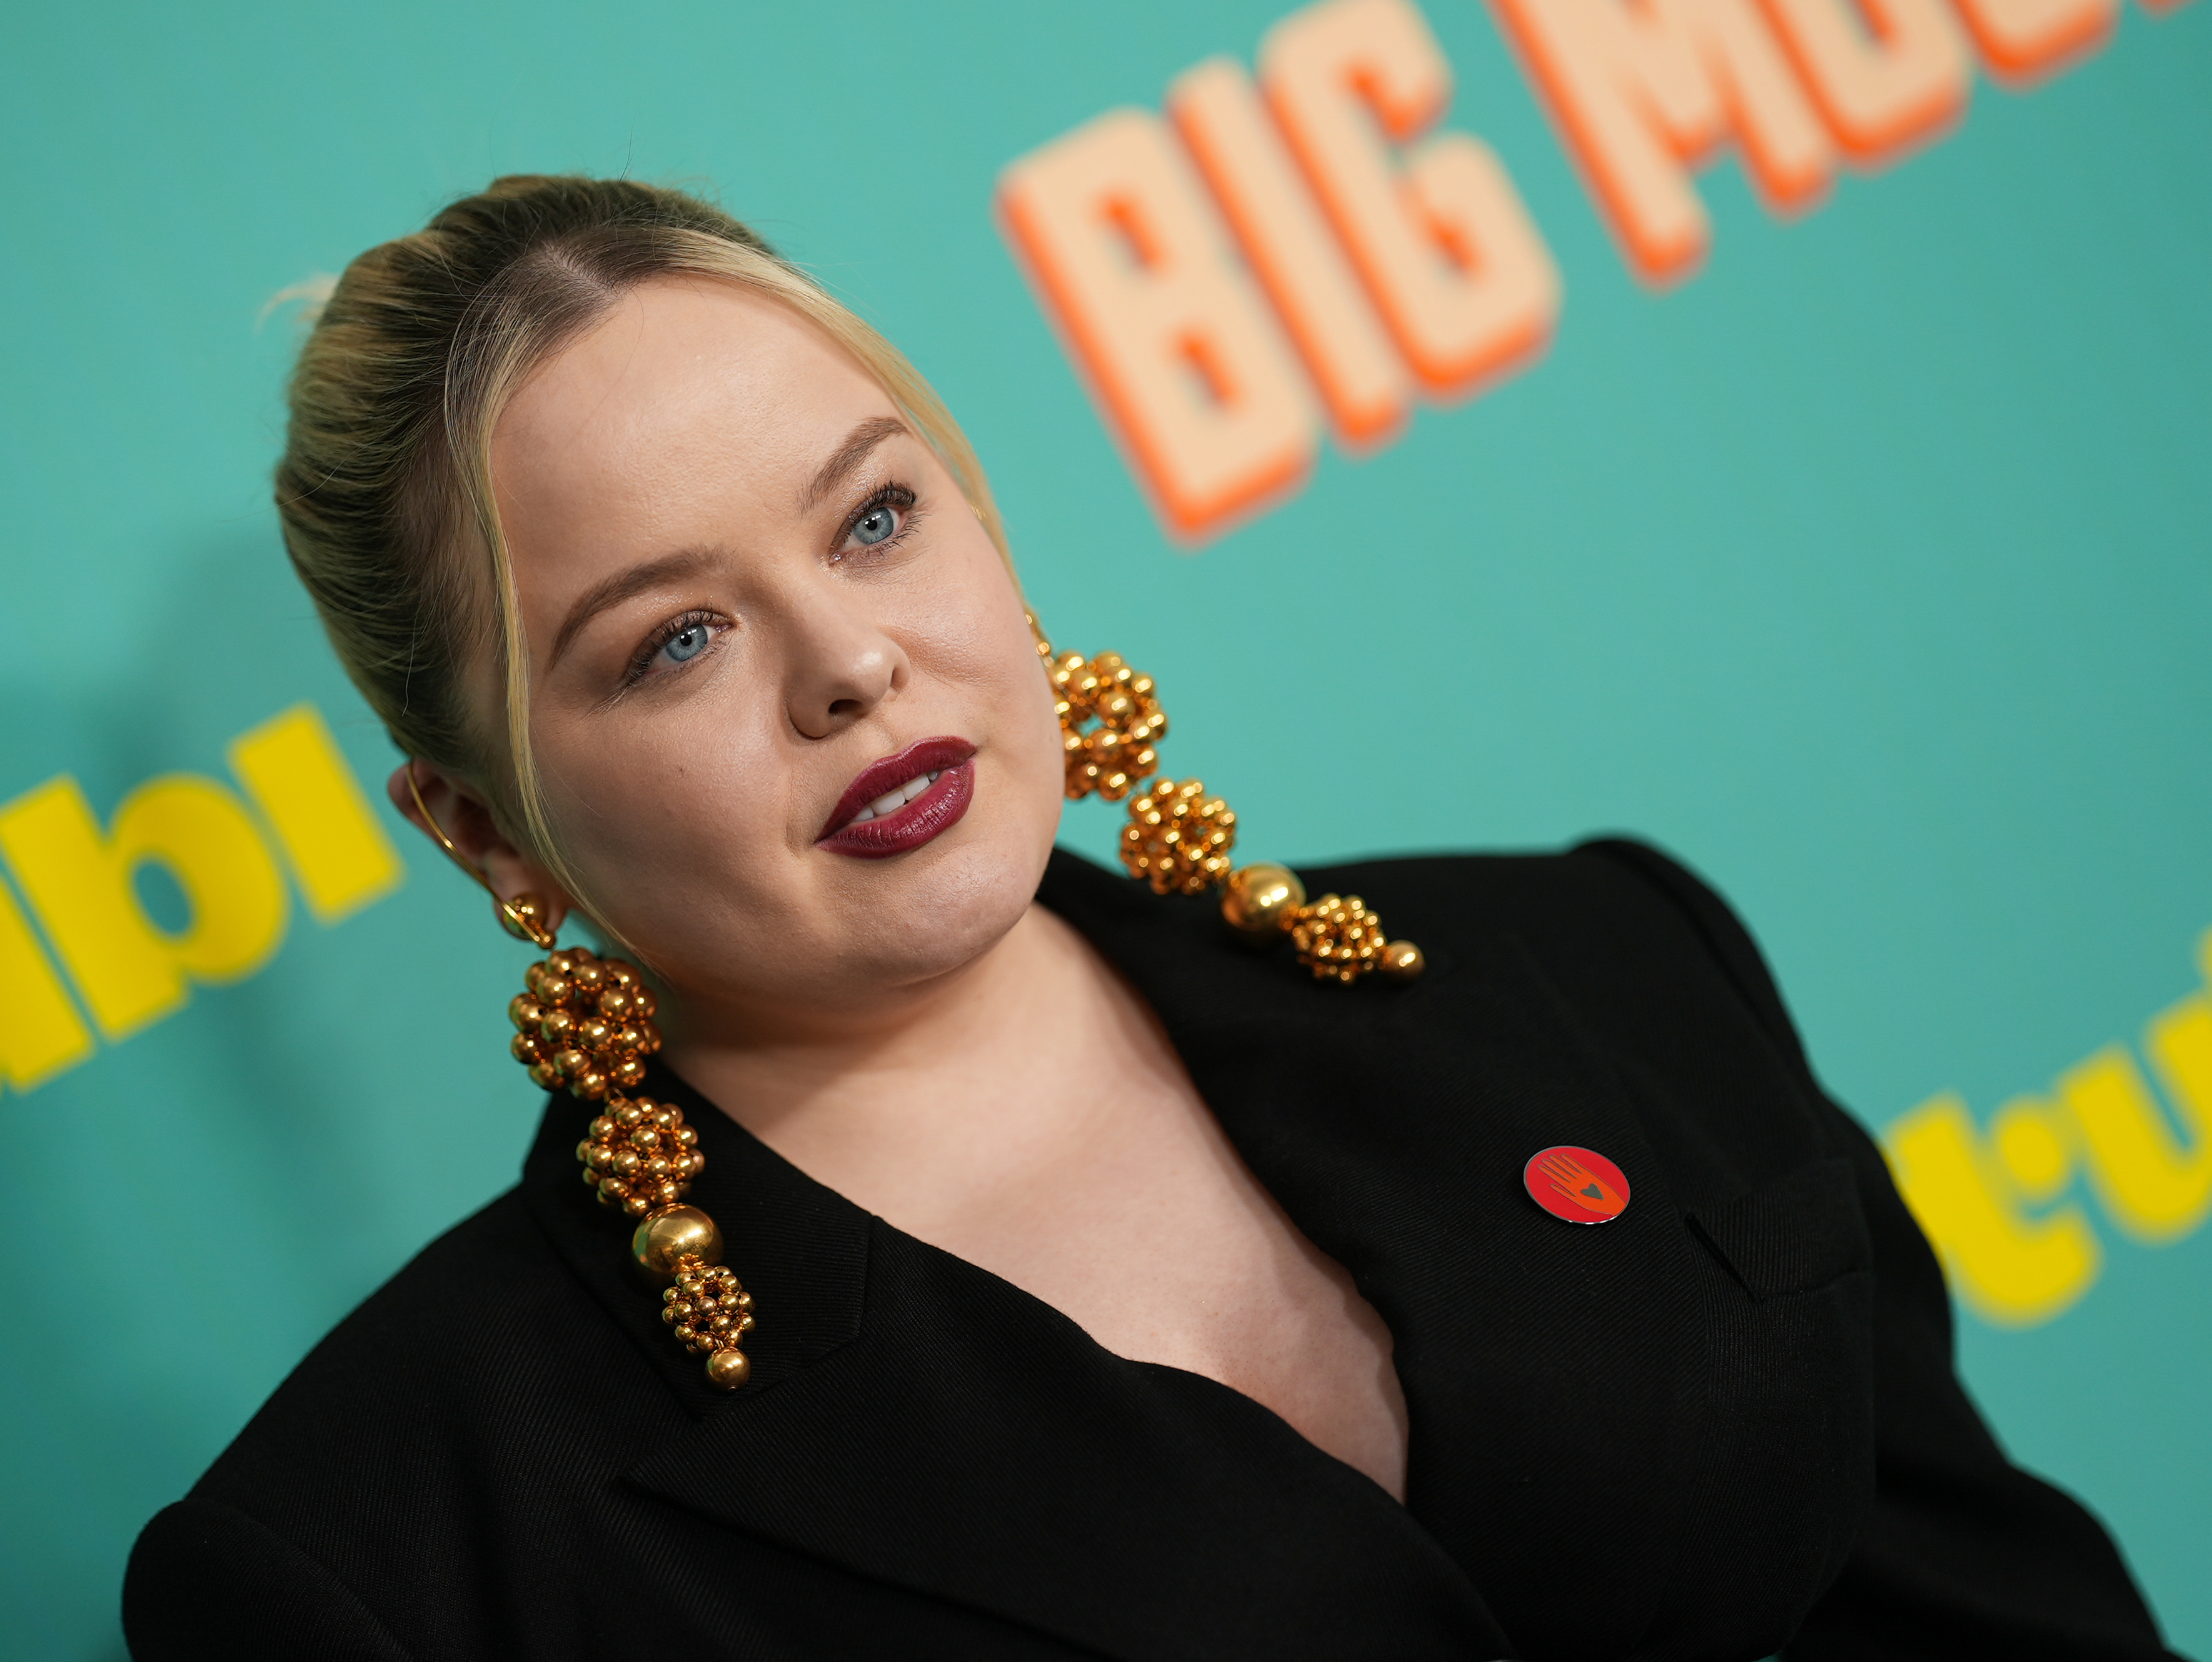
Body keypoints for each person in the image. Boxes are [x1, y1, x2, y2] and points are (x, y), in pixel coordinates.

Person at [121, 175, 2180, 1661]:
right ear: (488, 829)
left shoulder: (1594, 959)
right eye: (673, 640)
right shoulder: (389, 1559)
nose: (850, 664)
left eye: (874, 515)